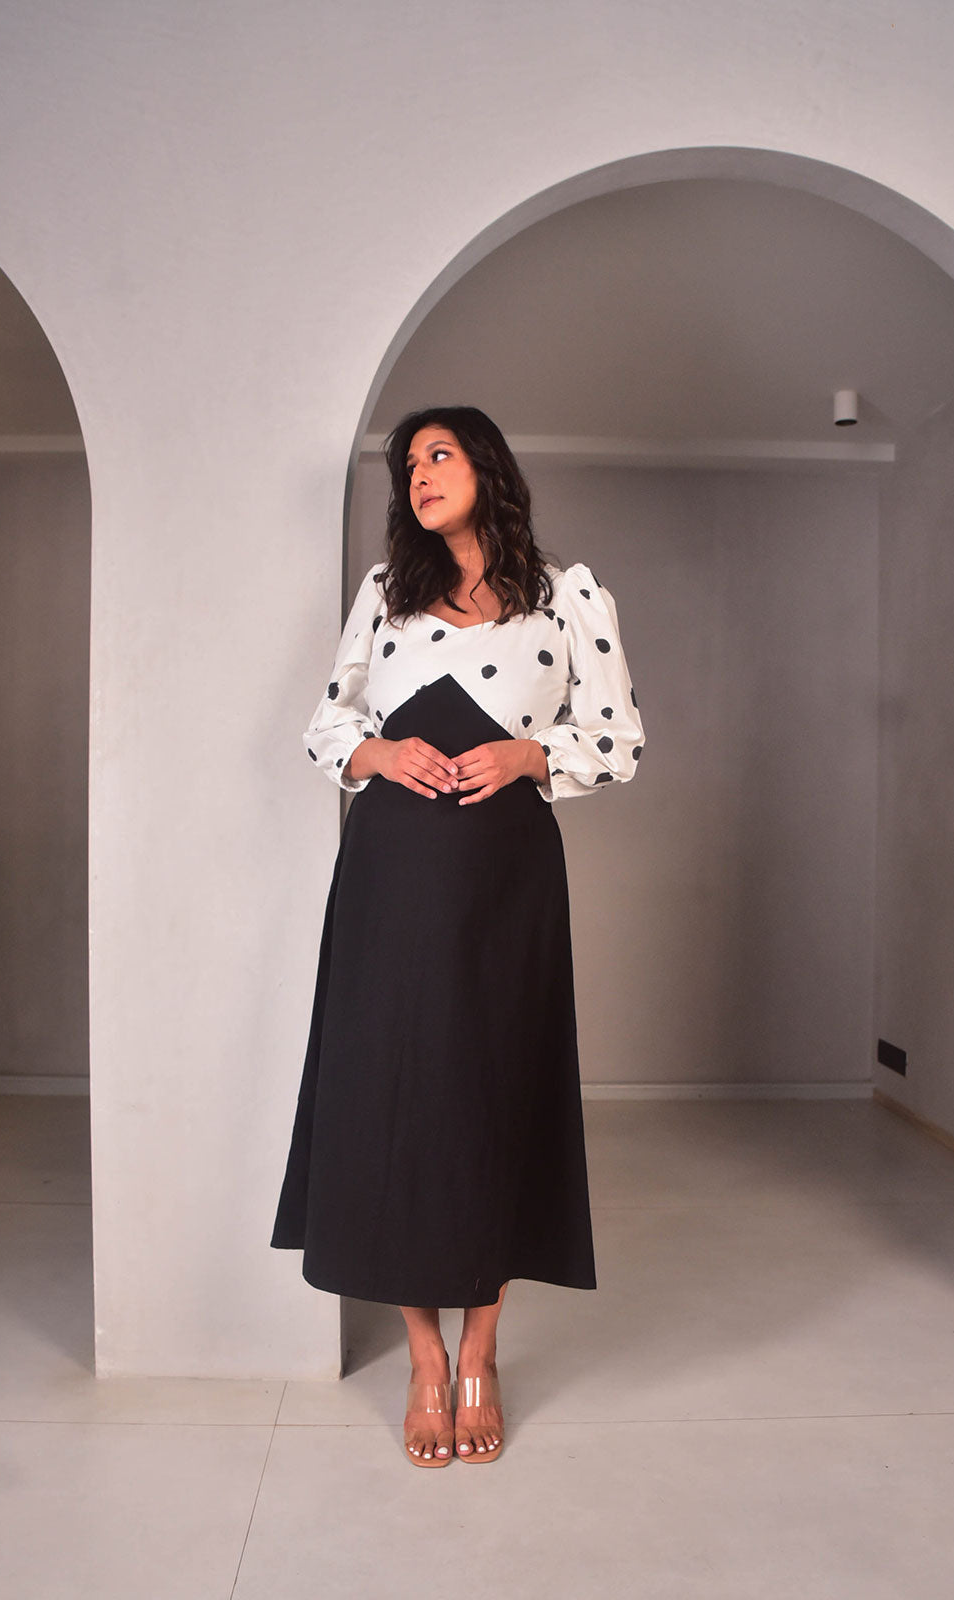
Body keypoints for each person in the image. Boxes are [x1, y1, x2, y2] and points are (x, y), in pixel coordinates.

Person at [270, 406, 644, 1467]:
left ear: (488, 467)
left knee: (491, 1093)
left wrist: (530, 756)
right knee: (392, 1095)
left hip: (502, 884)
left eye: (439, 455)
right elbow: (326, 725)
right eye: (408, 465)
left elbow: (617, 738)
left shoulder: (568, 598)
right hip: (389, 876)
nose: (420, 475)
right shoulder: (385, 596)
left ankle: (481, 1347)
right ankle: (425, 1357)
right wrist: (379, 757)